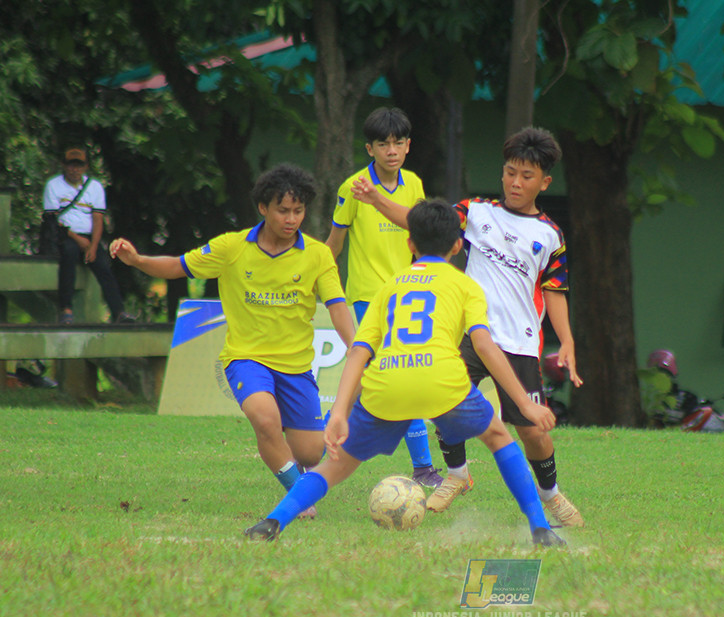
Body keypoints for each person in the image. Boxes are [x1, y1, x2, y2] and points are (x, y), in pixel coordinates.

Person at [244, 199, 565, 546]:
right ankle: (540, 527)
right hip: (443, 382)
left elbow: (359, 352)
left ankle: (273, 521)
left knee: (334, 468)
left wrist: (339, 412)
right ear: (458, 246)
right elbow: (485, 346)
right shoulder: (467, 286)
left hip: (387, 385)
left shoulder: (390, 287)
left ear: (410, 244)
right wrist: (525, 403)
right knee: (499, 437)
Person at [350, 126, 585, 527]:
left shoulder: (549, 234)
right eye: (510, 172)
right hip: (468, 332)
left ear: (544, 182)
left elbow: (555, 290)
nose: (515, 182)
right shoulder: (477, 211)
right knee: (444, 403)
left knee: (531, 430)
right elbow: (419, 222)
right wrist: (376, 200)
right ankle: (457, 474)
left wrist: (566, 341)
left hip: (519, 343)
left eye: (526, 176)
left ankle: (552, 495)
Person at [110, 164, 355, 515]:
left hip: (296, 366)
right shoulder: (232, 247)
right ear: (263, 208)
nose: (291, 219)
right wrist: (137, 260)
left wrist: (358, 347)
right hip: (246, 357)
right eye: (283, 210)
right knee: (264, 418)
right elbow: (177, 266)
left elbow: (338, 307)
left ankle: (295, 462)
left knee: (310, 452)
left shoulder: (317, 254)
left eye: (298, 211)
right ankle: (298, 497)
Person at [324, 107, 443, 488]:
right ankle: (419, 467)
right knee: (385, 379)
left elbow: (420, 240)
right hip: (365, 298)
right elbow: (334, 246)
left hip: (406, 299)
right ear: (369, 149)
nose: (391, 150)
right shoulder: (352, 187)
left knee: (391, 379)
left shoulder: (414, 185)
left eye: (398, 143)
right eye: (382, 143)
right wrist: (314, 283)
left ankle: (421, 467)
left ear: (408, 146)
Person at [42, 147, 133, 324]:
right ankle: (66, 309)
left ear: (85, 167)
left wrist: (93, 245)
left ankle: (118, 311)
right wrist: (78, 239)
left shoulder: (94, 186)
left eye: (79, 165)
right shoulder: (53, 185)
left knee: (103, 267)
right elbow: (52, 220)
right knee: (69, 255)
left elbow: (98, 219)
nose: (74, 169)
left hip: (90, 237)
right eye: (71, 165)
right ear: (64, 165)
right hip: (65, 235)